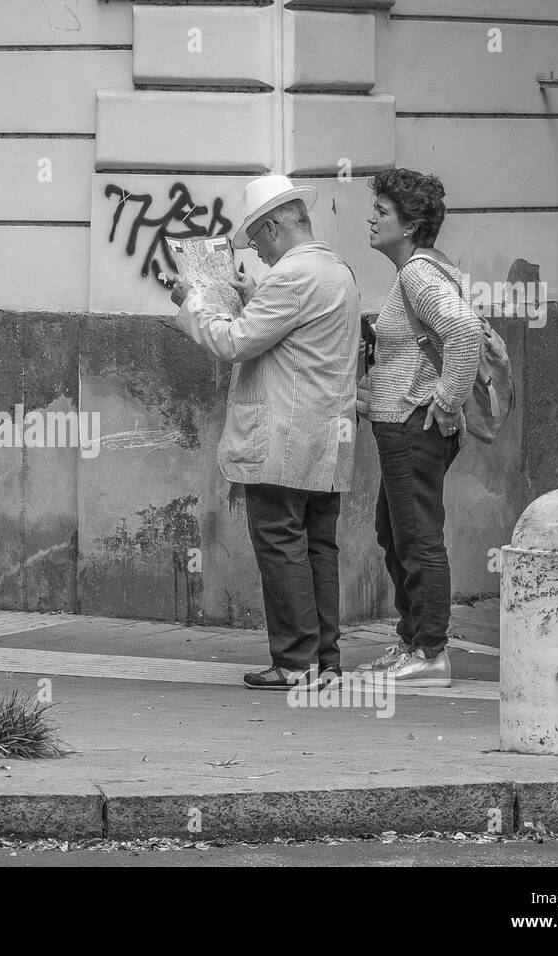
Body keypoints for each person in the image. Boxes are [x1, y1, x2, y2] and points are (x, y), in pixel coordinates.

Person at [171, 175, 360, 690]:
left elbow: (234, 342)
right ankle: (326, 662)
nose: (255, 251)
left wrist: (193, 302)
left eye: (255, 241)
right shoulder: (336, 270)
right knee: (317, 547)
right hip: (327, 440)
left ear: (274, 227)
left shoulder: (292, 277)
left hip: (283, 438)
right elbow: (299, 335)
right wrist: (255, 295)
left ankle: (294, 663)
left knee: (280, 544)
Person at [358, 169, 482, 686]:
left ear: (408, 226)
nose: (372, 217)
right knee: (394, 530)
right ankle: (413, 642)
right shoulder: (423, 269)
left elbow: (465, 332)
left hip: (414, 428)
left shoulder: (417, 274)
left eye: (382, 211)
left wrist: (446, 399)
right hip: (404, 425)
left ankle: (430, 652)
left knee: (417, 539)